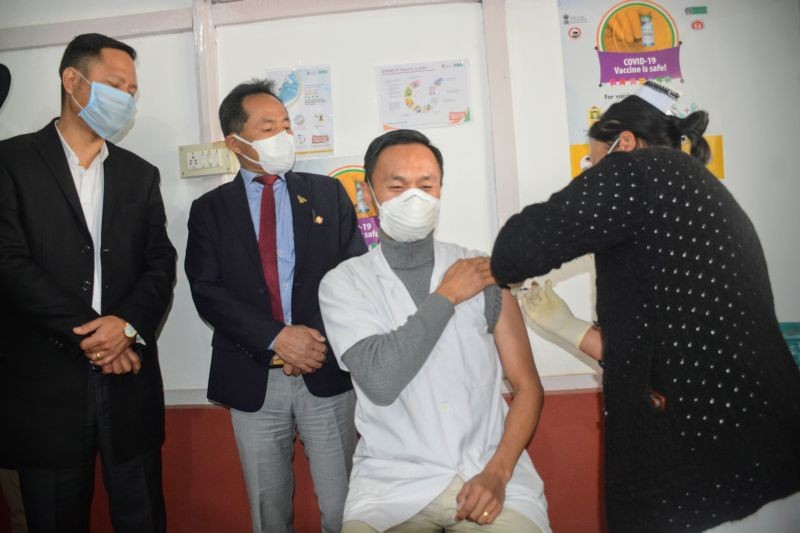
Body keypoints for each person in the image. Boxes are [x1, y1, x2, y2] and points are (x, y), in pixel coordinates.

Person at [491, 82, 800, 532]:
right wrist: (568, 326)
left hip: (709, 477)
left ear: (626, 143)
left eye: (593, 163)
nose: (592, 175)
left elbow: (513, 254)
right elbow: (663, 350)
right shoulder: (705, 194)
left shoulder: (637, 172)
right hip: (770, 457)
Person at [318, 129, 551, 533]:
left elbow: (527, 386)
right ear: (370, 194)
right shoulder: (345, 283)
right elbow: (380, 381)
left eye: (426, 185)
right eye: (397, 185)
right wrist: (446, 295)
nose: (415, 197)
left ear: (441, 190)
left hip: (487, 471)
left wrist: (497, 474)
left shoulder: (481, 269)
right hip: (392, 484)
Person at [0, 33, 176, 532]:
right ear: (72, 81)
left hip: (129, 381)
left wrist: (128, 326)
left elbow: (160, 262)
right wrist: (98, 334)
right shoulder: (10, 163)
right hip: (44, 387)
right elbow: (8, 263)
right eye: (115, 85)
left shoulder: (140, 175)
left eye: (132, 90)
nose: (127, 98)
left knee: (142, 516)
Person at [184, 79, 366, 533]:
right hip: (252, 374)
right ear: (235, 141)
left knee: (344, 506)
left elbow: (353, 277)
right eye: (268, 127)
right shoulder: (210, 209)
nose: (283, 135)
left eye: (287, 125)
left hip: (324, 371)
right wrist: (276, 338)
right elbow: (206, 289)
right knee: (268, 509)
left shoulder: (326, 194)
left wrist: (310, 341)